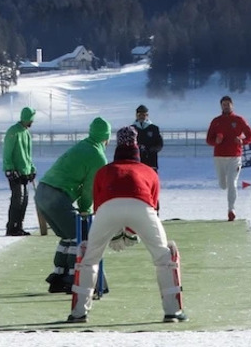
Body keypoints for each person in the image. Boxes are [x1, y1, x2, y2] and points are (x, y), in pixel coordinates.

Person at [67, 126, 187, 323]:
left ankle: (79, 312)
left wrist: (114, 231)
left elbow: (98, 203)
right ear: (136, 146)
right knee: (164, 256)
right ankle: (173, 311)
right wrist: (132, 231)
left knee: (89, 258)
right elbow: (153, 204)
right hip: (142, 207)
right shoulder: (148, 171)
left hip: (107, 209)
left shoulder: (104, 171)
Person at [34, 117, 111, 294]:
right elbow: (90, 188)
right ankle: (71, 278)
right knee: (79, 235)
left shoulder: (82, 145)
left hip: (42, 191)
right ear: (106, 137)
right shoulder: (98, 157)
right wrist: (85, 209)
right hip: (57, 195)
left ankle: (58, 277)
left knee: (67, 236)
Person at [205, 95, 251, 221]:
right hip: (219, 157)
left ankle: (231, 209)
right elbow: (209, 140)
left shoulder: (239, 120)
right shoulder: (216, 121)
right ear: (221, 106)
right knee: (223, 185)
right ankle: (225, 186)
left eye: (228, 104)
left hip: (234, 156)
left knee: (232, 183)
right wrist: (216, 141)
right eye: (223, 105)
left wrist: (242, 141)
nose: (226, 106)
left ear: (232, 105)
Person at [2, 106, 36, 236]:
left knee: (24, 200)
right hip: (15, 171)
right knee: (17, 199)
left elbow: (27, 154)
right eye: (31, 120)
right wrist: (9, 169)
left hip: (24, 171)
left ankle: (19, 225)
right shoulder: (13, 131)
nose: (32, 122)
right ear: (27, 119)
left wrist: (31, 169)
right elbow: (7, 152)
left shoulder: (26, 132)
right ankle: (12, 227)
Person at [131, 104, 163, 171]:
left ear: (147, 115)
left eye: (144, 115)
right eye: (139, 115)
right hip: (136, 161)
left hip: (151, 162)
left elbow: (160, 144)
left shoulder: (154, 128)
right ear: (136, 116)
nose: (141, 117)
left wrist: (152, 149)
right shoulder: (132, 129)